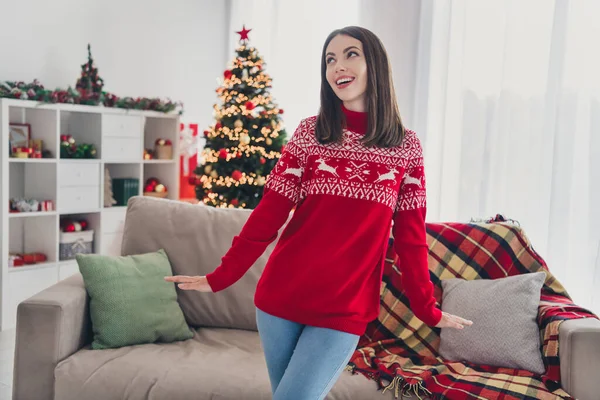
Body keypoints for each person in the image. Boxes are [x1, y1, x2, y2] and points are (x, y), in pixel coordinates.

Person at [165, 26, 473, 400]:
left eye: (350, 54)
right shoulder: (310, 134)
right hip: (281, 298)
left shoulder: (406, 148)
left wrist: (428, 308)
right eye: (330, 59)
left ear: (374, 63)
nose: (337, 66)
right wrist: (221, 277)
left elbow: (410, 238)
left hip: (345, 308)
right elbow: (268, 215)